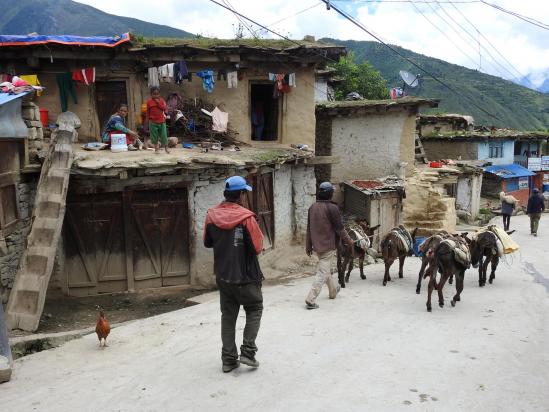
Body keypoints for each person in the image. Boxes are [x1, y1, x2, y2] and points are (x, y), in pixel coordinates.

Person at [204, 176, 264, 373]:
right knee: (254, 309)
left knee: (228, 316)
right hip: (246, 276)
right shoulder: (247, 218)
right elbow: (257, 247)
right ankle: (247, 352)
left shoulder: (211, 215)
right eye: (244, 192)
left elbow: (208, 242)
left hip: (223, 276)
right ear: (240, 194)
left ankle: (228, 359)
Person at [305, 182, 353, 310]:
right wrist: (349, 240)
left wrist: (308, 245)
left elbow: (309, 228)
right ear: (330, 194)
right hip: (328, 245)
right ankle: (311, 299)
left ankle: (333, 291)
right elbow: (340, 229)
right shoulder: (332, 208)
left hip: (316, 245)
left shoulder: (312, 207)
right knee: (322, 271)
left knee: (324, 269)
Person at [146, 87, 169, 154]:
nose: (155, 96)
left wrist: (158, 103)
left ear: (159, 94)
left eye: (157, 94)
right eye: (154, 94)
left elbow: (164, 108)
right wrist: (147, 120)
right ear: (151, 94)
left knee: (164, 135)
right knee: (154, 136)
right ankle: (156, 149)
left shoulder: (161, 101)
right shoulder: (149, 102)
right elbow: (148, 112)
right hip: (152, 122)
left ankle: (166, 148)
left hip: (162, 121)